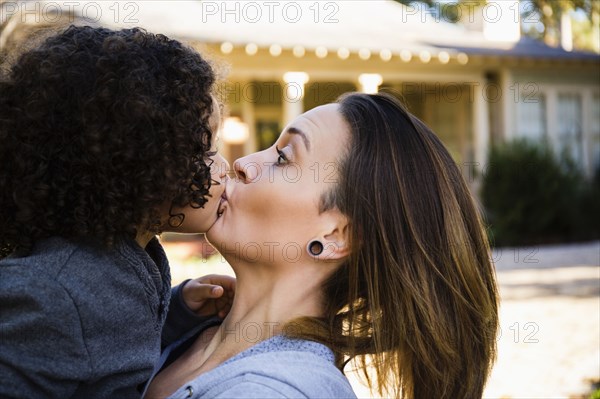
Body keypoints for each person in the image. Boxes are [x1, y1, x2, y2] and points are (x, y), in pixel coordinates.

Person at [145, 92, 499, 399]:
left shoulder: (281, 391)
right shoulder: (183, 327)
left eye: (283, 158)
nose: (242, 164)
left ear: (335, 237)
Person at [0, 25, 234, 398]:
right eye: (205, 151)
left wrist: (177, 311)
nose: (224, 167)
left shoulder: (135, 255)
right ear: (137, 164)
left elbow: (113, 349)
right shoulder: (47, 294)